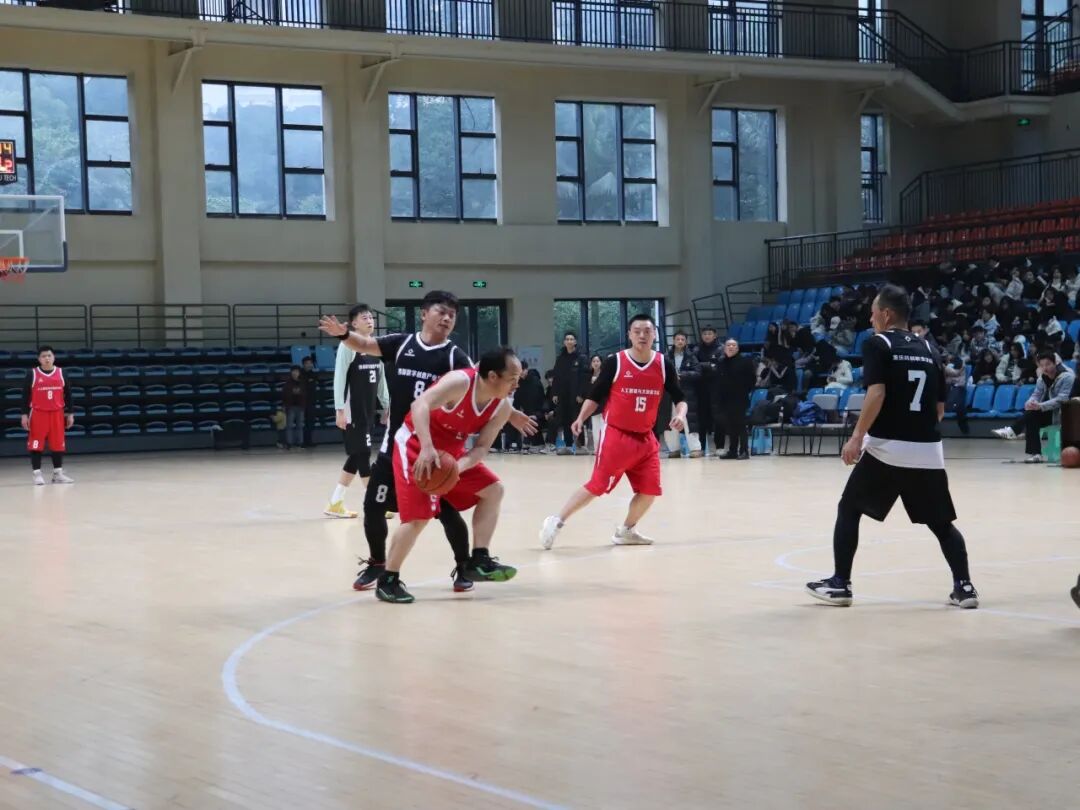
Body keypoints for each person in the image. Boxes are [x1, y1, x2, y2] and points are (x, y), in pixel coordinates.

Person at [319, 291, 535, 593]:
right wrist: (343, 334)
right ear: (424, 314)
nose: (446, 319)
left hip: (439, 445)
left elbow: (485, 386)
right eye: (441, 312)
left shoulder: (456, 358)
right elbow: (366, 345)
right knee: (376, 507)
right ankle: (379, 565)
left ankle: (467, 564)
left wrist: (509, 412)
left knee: (448, 511)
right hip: (402, 442)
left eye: (452, 315)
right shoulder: (403, 343)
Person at [805, 284, 979, 609]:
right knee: (941, 523)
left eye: (873, 313)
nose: (871, 319)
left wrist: (857, 437)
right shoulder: (930, 349)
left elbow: (876, 393)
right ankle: (965, 587)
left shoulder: (878, 344)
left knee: (849, 508)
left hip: (887, 448)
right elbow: (939, 409)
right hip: (928, 450)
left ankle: (840, 584)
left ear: (886, 314)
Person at [375, 348, 522, 604]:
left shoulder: (503, 406)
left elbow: (481, 448)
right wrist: (427, 447)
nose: (516, 384)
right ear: (492, 376)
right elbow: (419, 405)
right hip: (415, 445)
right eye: (512, 379)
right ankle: (388, 580)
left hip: (451, 456)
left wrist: (456, 468)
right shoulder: (460, 382)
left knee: (494, 490)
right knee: (418, 518)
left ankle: (479, 558)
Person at [539, 314, 687, 550]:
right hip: (617, 435)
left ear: (654, 335)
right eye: (637, 331)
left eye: (647, 331)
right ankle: (556, 521)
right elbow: (595, 396)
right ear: (629, 334)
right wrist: (580, 418)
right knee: (597, 486)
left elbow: (680, 398)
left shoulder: (663, 364)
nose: (642, 335)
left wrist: (680, 415)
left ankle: (626, 530)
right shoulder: (615, 362)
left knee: (650, 491)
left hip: (646, 438)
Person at [324, 304, 389, 518]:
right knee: (363, 455)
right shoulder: (347, 346)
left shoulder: (376, 346)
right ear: (354, 323)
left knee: (356, 454)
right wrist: (339, 409)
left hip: (367, 411)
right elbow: (339, 378)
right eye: (364, 317)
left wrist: (386, 405)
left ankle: (335, 503)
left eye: (371, 317)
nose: (370, 320)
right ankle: (376, 504)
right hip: (352, 411)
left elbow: (381, 380)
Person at [20, 345, 74, 485]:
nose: (47, 358)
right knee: (36, 444)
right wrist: (24, 414)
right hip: (38, 413)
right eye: (44, 356)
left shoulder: (61, 373)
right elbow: (25, 396)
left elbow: (68, 394)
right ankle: (37, 474)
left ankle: (58, 474)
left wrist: (70, 413)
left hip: (57, 413)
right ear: (39, 359)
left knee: (58, 444)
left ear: (54, 357)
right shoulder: (32, 374)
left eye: (49, 355)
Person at [1014, 351, 1076, 463]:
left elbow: (1062, 399)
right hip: (1049, 412)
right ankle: (1036, 454)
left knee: (1032, 414)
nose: (1045, 368)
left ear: (1055, 363)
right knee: (1031, 415)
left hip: (1066, 414)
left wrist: (1040, 406)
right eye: (1042, 365)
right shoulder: (1042, 379)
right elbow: (1036, 394)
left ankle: (1014, 429)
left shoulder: (1067, 376)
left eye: (1047, 364)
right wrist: (1030, 402)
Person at [713, 338, 756, 460]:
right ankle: (733, 451)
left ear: (737, 348)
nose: (731, 347)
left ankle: (744, 451)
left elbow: (752, 380)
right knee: (730, 426)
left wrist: (743, 391)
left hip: (740, 398)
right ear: (724, 348)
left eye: (733, 345)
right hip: (725, 399)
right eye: (728, 345)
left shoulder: (745, 361)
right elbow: (719, 381)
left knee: (740, 425)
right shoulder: (721, 362)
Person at [663, 332, 702, 458]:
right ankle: (674, 449)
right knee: (670, 420)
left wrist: (682, 375)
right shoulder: (665, 357)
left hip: (687, 393)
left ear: (686, 341)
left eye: (682, 339)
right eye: (678, 339)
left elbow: (698, 373)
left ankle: (695, 448)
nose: (680, 341)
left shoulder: (691, 356)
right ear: (673, 341)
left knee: (689, 421)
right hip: (669, 394)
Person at [552, 332, 591, 454]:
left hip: (576, 395)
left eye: (571, 339)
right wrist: (555, 393)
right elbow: (556, 377)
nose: (569, 341)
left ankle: (580, 445)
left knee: (577, 418)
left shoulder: (582, 358)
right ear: (564, 342)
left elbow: (585, 377)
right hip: (563, 394)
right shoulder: (560, 358)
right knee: (565, 419)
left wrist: (581, 394)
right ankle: (568, 445)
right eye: (567, 339)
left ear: (575, 342)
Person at [693, 326, 721, 452]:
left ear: (715, 335)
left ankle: (719, 446)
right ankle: (701, 447)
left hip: (716, 387)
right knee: (701, 418)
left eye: (709, 333)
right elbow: (694, 366)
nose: (707, 336)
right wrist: (709, 365)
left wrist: (702, 366)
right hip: (700, 388)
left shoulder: (720, 348)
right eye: (705, 334)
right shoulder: (696, 349)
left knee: (717, 417)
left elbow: (718, 367)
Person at [300, 355, 319, 448]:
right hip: (303, 402)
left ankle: (309, 441)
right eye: (307, 363)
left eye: (310, 363)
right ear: (303, 365)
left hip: (312, 402)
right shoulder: (301, 375)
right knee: (303, 423)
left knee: (310, 422)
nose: (309, 365)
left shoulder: (313, 374)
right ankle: (302, 441)